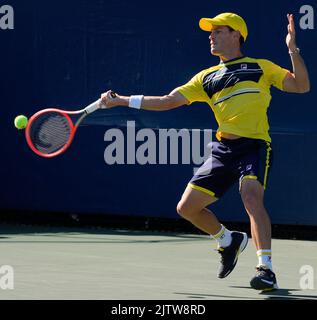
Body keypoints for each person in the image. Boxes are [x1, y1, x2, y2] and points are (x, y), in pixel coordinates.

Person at [100, 12, 310, 291]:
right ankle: (228, 240)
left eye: (218, 31)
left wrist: (291, 48)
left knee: (250, 197)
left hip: (254, 146)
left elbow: (301, 85)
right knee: (186, 208)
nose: (211, 36)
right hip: (224, 149)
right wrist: (122, 101)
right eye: (210, 32)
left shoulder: (261, 67)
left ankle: (265, 269)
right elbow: (166, 101)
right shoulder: (205, 78)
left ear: (236, 34)